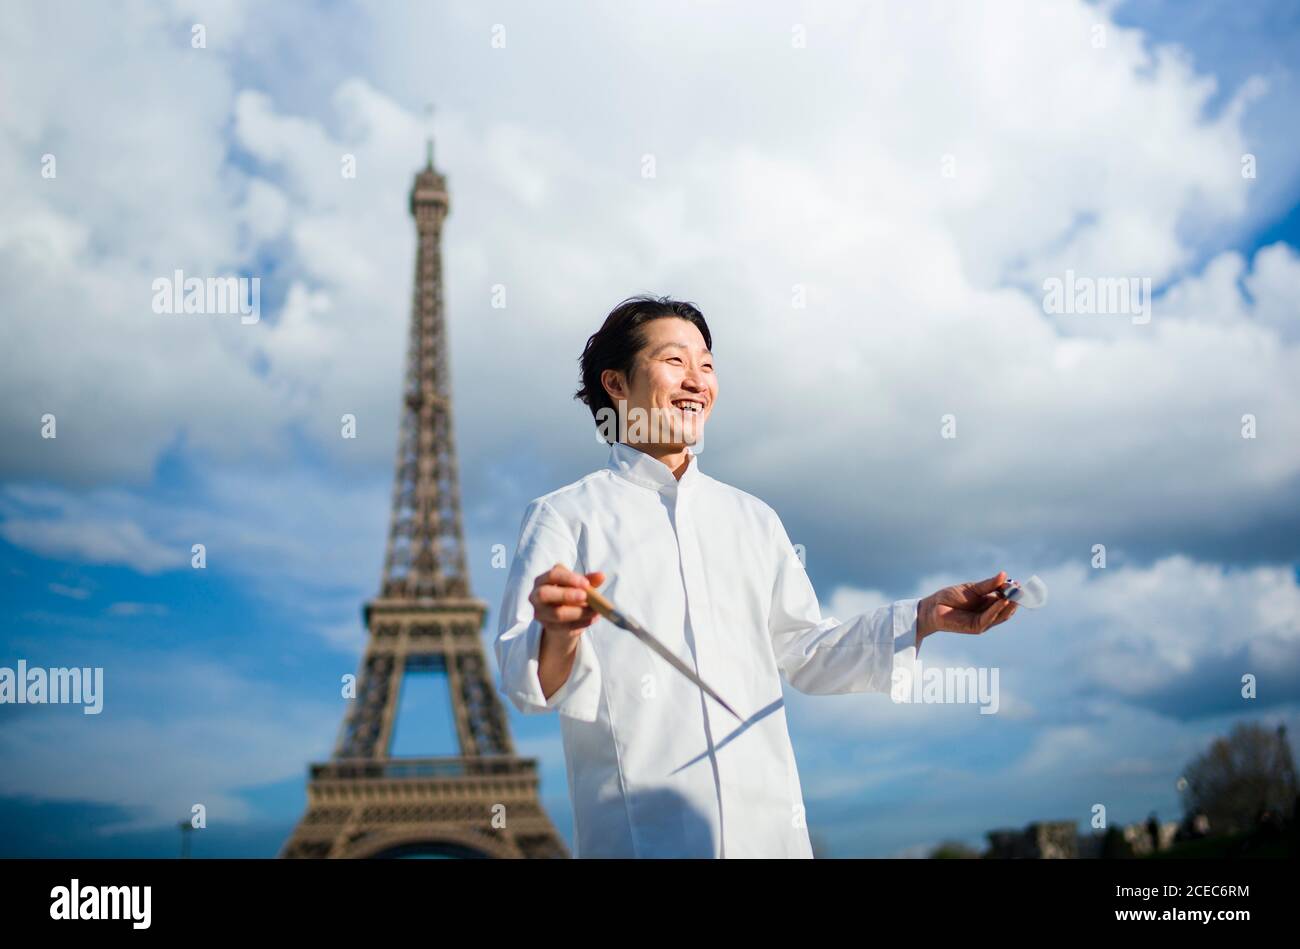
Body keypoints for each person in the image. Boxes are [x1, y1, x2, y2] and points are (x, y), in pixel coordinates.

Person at [494, 294, 1018, 858]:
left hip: (769, 834)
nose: (697, 379)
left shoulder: (754, 518)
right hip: (641, 838)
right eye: (675, 361)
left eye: (708, 365)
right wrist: (560, 631)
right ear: (617, 386)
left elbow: (806, 651)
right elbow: (530, 685)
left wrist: (922, 618)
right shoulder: (565, 516)